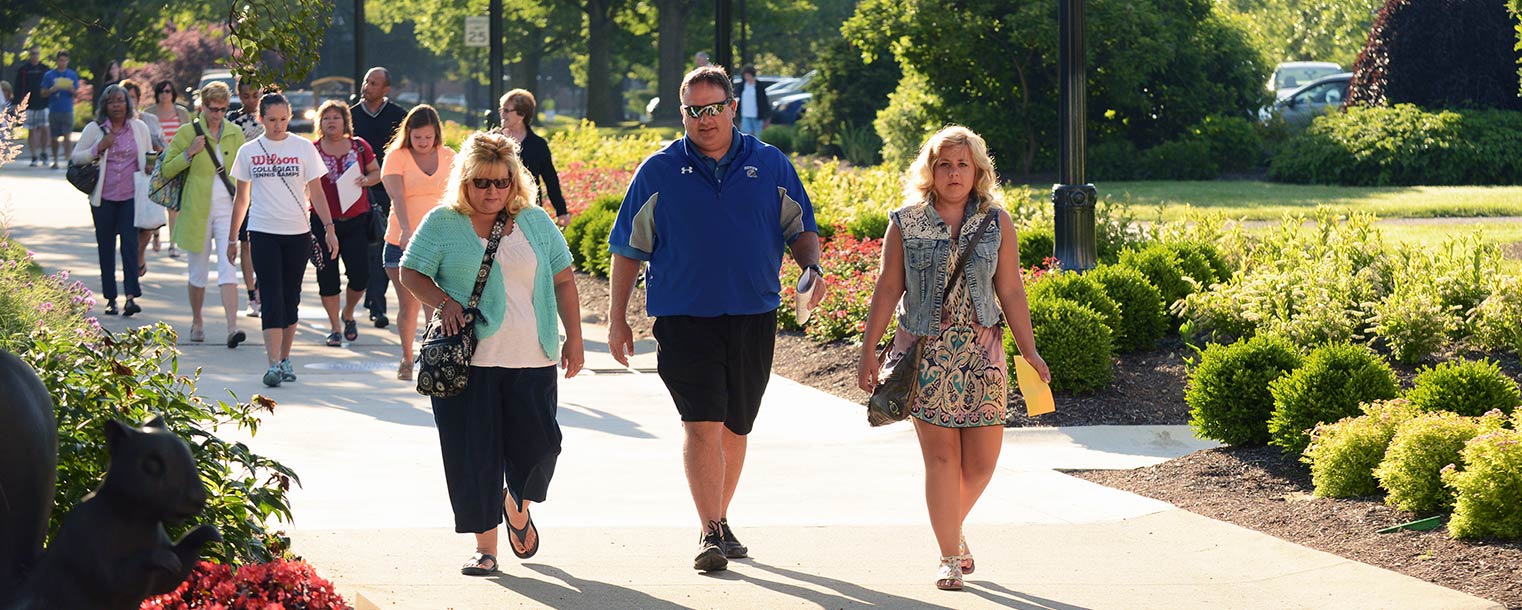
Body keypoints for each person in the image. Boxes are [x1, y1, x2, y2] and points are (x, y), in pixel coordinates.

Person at [607, 65, 828, 573]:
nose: (704, 120)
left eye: (713, 108)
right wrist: (618, 319)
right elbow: (628, 249)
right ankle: (709, 530)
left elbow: (800, 228)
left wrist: (811, 268)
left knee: (736, 425)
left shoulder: (770, 164)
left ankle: (721, 520)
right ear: (681, 113)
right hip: (684, 316)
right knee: (701, 420)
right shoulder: (658, 170)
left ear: (732, 107)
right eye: (693, 111)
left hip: (754, 313)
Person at [854, 126, 1051, 591]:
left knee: (982, 463)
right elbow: (887, 288)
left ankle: (950, 524)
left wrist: (1030, 350)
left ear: (978, 170)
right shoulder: (905, 222)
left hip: (984, 352)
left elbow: (1011, 289)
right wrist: (868, 350)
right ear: (931, 170)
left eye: (963, 164)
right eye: (945, 164)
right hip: (926, 350)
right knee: (942, 461)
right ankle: (948, 556)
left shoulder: (997, 221)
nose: (954, 172)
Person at [399, 129, 584, 578]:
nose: (492, 191)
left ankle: (516, 499)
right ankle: (486, 548)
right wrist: (446, 303)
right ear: (465, 181)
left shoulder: (535, 221)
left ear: (514, 181)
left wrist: (574, 337)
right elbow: (410, 272)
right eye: (482, 182)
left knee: (542, 446)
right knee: (473, 456)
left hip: (533, 357)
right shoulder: (444, 222)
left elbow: (563, 280)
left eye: (502, 182)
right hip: (470, 364)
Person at [226, 91, 338, 388]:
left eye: (283, 119)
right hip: (262, 231)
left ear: (290, 117)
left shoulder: (303, 148)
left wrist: (329, 227)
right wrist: (231, 238)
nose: (278, 125)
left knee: (291, 296)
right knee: (271, 296)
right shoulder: (248, 151)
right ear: (260, 119)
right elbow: (241, 199)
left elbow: (317, 192)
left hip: (297, 232)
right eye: (272, 120)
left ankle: (285, 357)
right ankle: (273, 362)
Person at [161, 81, 247, 348]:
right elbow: (167, 169)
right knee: (197, 273)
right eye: (213, 108)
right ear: (202, 106)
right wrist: (189, 153)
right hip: (196, 209)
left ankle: (232, 328)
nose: (217, 114)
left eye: (223, 109)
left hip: (228, 211)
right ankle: (197, 320)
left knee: (228, 269)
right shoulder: (189, 132)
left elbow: (244, 173)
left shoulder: (234, 133)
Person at [381, 104, 454, 381]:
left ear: (436, 134)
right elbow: (397, 197)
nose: (423, 143)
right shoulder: (396, 157)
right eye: (417, 138)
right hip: (403, 239)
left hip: (441, 242)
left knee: (435, 304)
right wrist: (407, 230)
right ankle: (407, 357)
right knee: (409, 303)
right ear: (408, 134)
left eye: (428, 137)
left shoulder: (449, 156)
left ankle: (429, 354)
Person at [71, 84, 151, 317]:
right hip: (103, 198)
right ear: (104, 106)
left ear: (128, 104)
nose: (116, 105)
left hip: (130, 197)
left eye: (120, 100)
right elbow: (76, 157)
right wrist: (97, 148)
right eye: (111, 101)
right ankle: (110, 299)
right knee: (106, 248)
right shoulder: (95, 129)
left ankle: (130, 297)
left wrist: (149, 164)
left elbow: (148, 157)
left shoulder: (139, 128)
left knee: (129, 246)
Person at [310, 100, 381, 347]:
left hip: (356, 221)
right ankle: (335, 327)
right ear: (320, 122)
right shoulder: (313, 150)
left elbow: (377, 173)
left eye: (336, 117)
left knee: (360, 276)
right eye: (326, 117)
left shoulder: (359, 147)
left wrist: (365, 180)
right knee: (327, 277)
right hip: (322, 222)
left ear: (345, 121)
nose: (331, 121)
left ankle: (348, 313)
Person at [351, 67, 407, 330]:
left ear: (386, 89)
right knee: (363, 250)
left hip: (388, 191)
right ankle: (369, 296)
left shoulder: (398, 117)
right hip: (357, 190)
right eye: (366, 81)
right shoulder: (350, 117)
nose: (367, 86)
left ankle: (377, 303)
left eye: (374, 83)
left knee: (380, 246)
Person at [498, 89, 570, 227]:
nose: (502, 114)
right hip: (496, 212)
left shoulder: (538, 145)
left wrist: (561, 211)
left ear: (521, 115)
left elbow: (551, 180)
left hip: (528, 212)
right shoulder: (493, 141)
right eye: (501, 109)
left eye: (507, 110)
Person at [120, 79, 167, 278]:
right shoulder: (116, 123)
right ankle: (132, 264)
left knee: (147, 226)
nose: (129, 102)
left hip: (146, 180)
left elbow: (161, 147)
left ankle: (138, 256)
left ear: (138, 100)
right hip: (124, 183)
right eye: (125, 98)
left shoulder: (149, 120)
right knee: (130, 229)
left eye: (132, 98)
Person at [227, 80, 264, 317]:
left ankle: (262, 289)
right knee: (246, 244)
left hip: (266, 187)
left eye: (255, 95)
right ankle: (252, 295)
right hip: (240, 186)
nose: (251, 100)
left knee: (264, 242)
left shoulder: (270, 116)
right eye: (246, 95)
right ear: (239, 95)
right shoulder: (232, 120)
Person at [147, 79, 193, 257]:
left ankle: (173, 243)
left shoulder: (181, 113)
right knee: (156, 201)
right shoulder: (150, 113)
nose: (165, 94)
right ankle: (156, 233)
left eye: (168, 91)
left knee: (174, 206)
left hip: (176, 161)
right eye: (161, 91)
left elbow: (189, 135)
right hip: (157, 161)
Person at [41, 51, 80, 170]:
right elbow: (42, 93)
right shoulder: (49, 75)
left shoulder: (72, 75)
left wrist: (72, 89)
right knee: (54, 137)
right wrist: (52, 89)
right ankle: (55, 160)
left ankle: (68, 159)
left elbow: (77, 93)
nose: (62, 63)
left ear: (67, 61)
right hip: (54, 109)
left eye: (65, 60)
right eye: (60, 60)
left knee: (67, 136)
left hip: (67, 109)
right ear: (57, 61)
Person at [15, 47, 50, 167]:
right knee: (32, 130)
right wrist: (18, 104)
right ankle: (34, 156)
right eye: (32, 53)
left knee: (45, 128)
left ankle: (44, 153)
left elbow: (50, 85)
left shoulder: (45, 69)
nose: (34, 55)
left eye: (36, 53)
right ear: (29, 55)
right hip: (29, 105)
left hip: (43, 104)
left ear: (39, 55)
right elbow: (18, 87)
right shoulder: (24, 70)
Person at [733, 66, 769, 138]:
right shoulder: (743, 85)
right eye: (745, 75)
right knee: (745, 135)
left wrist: (766, 115)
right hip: (745, 114)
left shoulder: (759, 85)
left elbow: (764, 101)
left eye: (748, 75)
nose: (747, 77)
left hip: (757, 114)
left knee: (759, 135)